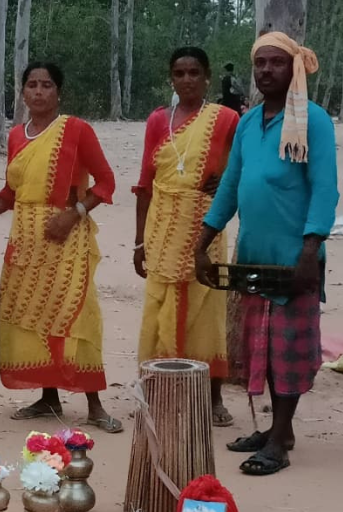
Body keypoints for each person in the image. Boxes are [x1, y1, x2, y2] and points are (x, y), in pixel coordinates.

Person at [195, 32, 338, 476]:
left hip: (294, 256)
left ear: (293, 68)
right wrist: (203, 242)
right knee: (260, 347)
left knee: (287, 351)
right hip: (253, 253)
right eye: (260, 63)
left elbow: (325, 190)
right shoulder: (248, 123)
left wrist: (309, 251)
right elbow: (232, 187)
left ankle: (279, 439)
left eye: (276, 63)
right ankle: (279, 430)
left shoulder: (313, 121)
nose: (266, 71)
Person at [0, 62, 123, 433]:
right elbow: (11, 192)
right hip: (26, 239)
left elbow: (106, 182)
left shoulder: (76, 130)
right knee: (33, 317)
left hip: (68, 238)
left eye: (47, 85)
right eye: (32, 85)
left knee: (77, 315)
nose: (39, 92)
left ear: (59, 92)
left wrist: (74, 214)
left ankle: (94, 403)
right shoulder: (15, 136)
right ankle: (48, 397)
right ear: (22, 92)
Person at [134, 47, 241, 427]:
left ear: (208, 77)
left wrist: (228, 181)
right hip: (162, 224)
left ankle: (212, 397)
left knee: (206, 309)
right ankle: (158, 389)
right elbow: (145, 184)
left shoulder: (227, 119)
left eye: (194, 72)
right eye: (179, 73)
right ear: (171, 79)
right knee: (159, 305)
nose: (187, 80)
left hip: (205, 225)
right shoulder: (157, 121)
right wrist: (138, 242)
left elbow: (244, 165)